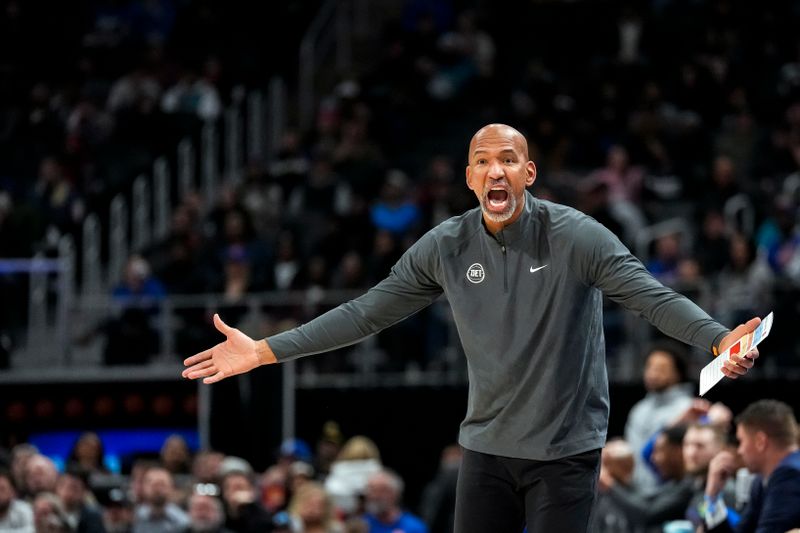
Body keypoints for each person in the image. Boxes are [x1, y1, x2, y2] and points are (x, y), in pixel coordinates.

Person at [183, 123, 762, 532]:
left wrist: (717, 338)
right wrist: (264, 350)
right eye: (483, 160)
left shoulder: (577, 236)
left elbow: (649, 296)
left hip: (566, 452)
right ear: (468, 176)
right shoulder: (446, 246)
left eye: (508, 159)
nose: (496, 170)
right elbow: (364, 313)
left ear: (528, 171)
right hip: (485, 449)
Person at [703, 399, 800, 531]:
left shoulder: (790, 475)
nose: (739, 451)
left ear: (760, 441)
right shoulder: (761, 480)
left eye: (741, 441)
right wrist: (713, 496)